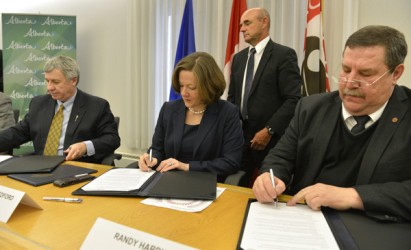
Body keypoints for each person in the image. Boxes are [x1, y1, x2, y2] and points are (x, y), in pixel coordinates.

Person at [253, 25, 411, 222]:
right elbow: (281, 157)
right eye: (345, 69)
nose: (350, 82)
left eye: (366, 74)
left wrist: (354, 196)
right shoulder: (311, 108)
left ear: (396, 73)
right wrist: (270, 177)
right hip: (304, 220)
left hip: (373, 228)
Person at [139, 52, 244, 182]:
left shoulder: (227, 113)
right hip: (168, 181)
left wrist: (186, 167)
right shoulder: (169, 109)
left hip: (206, 184)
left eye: (191, 87)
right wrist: (152, 158)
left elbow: (231, 162)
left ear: (208, 86)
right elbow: (157, 149)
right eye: (181, 85)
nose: (184, 93)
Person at [227, 8, 301, 187]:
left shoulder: (283, 55)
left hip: (272, 142)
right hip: (241, 138)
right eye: (241, 25)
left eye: (247, 23)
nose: (242, 29)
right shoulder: (238, 58)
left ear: (264, 22)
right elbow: (232, 98)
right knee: (235, 188)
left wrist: (269, 130)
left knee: (270, 191)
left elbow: (293, 99)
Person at [0, 56, 120, 163]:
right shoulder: (39, 103)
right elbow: (18, 132)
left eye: (55, 82)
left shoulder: (96, 106)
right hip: (40, 167)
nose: (49, 88)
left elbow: (112, 139)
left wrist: (85, 146)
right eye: (47, 81)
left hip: (75, 168)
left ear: (73, 80)